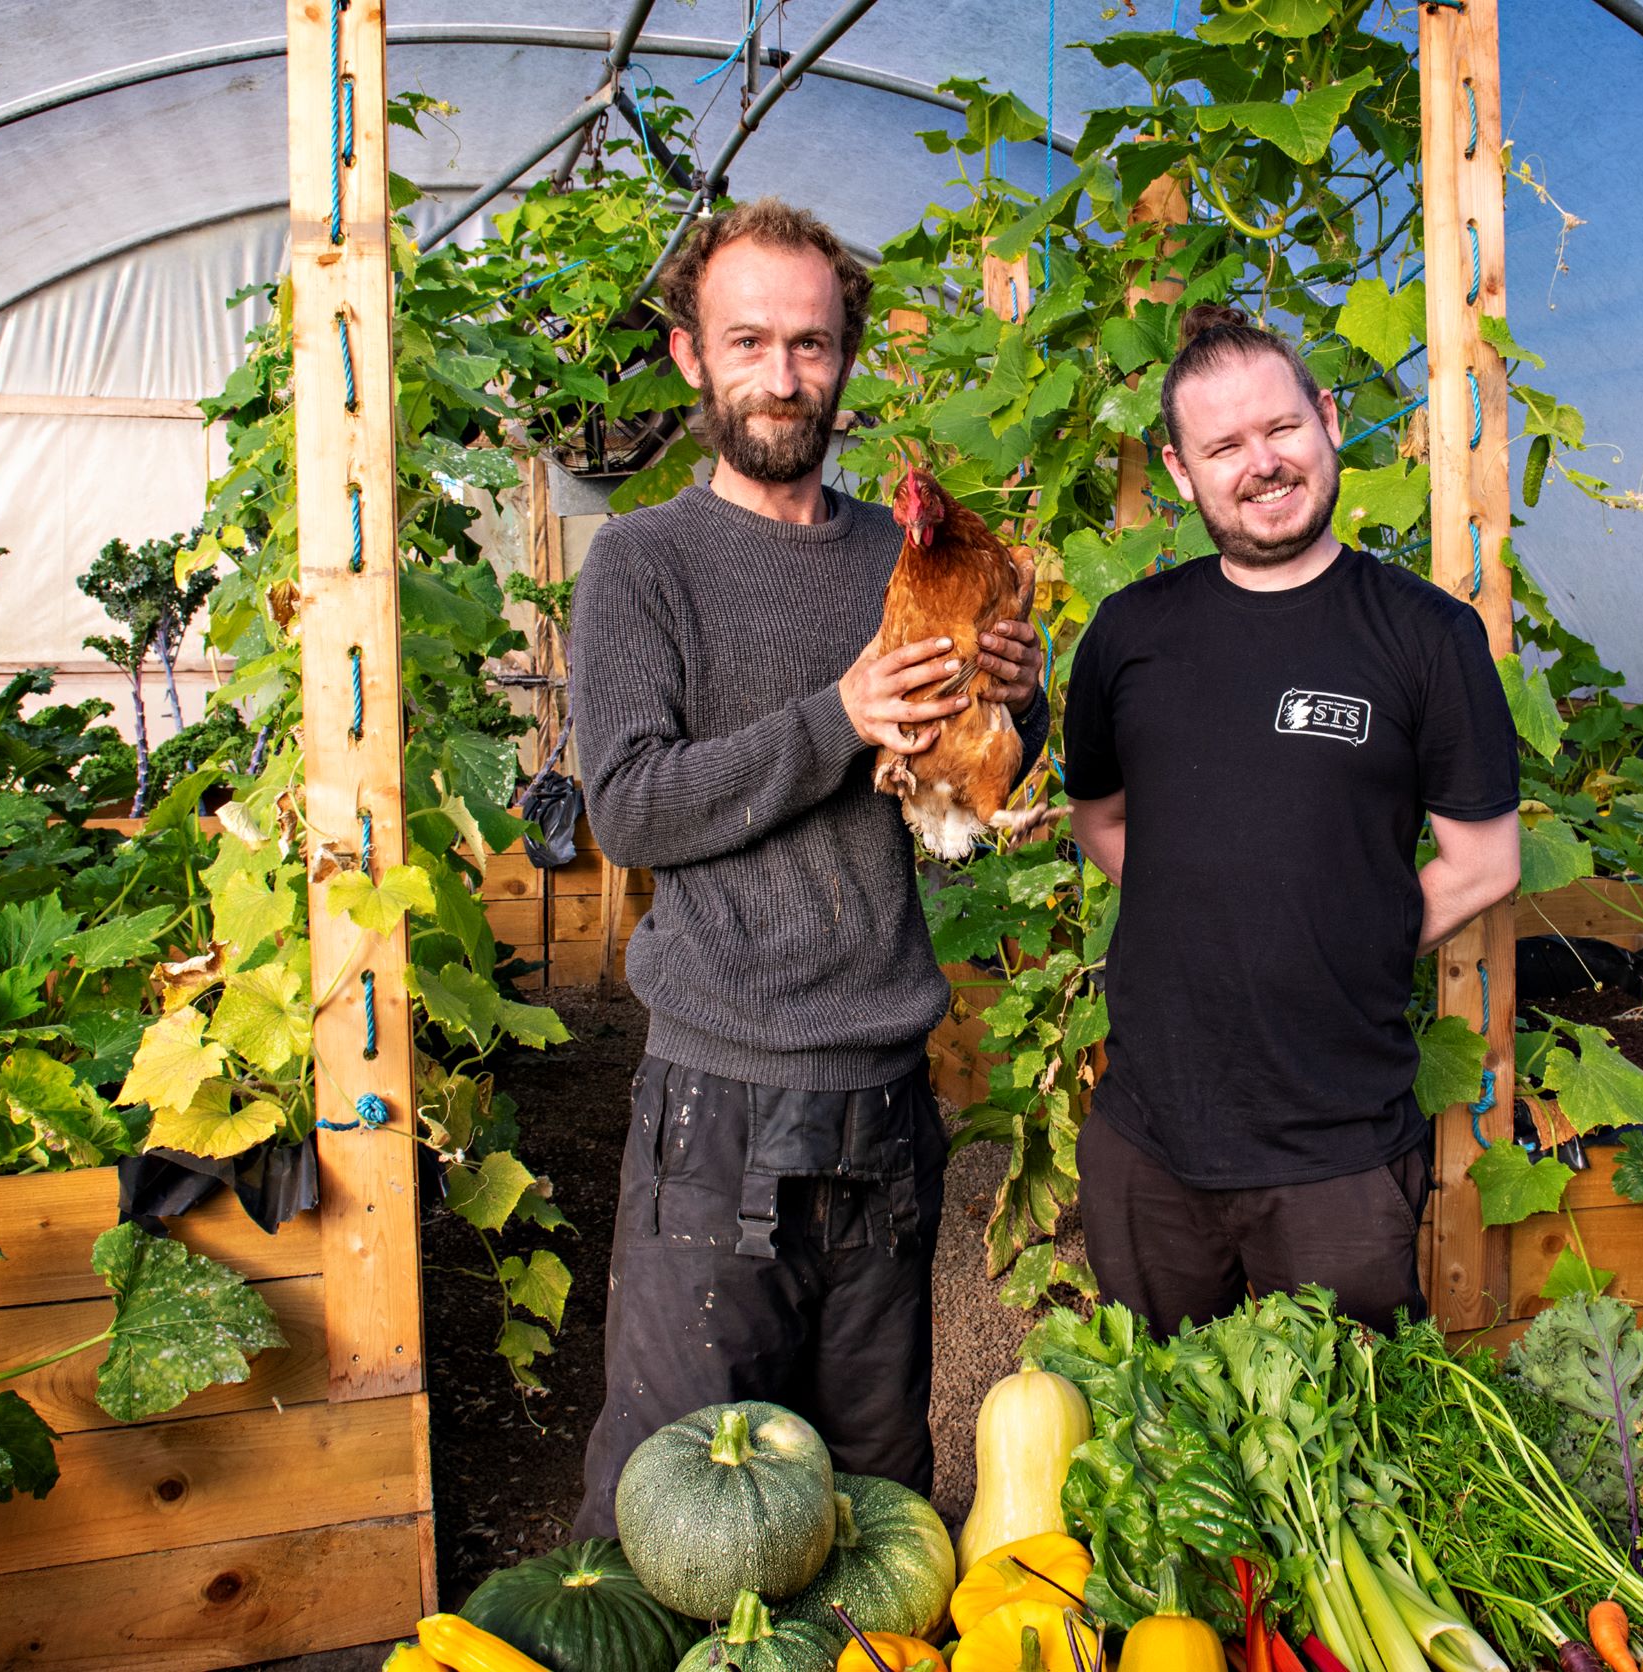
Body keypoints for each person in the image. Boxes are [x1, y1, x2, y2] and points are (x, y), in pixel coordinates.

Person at [566, 198, 1046, 1533]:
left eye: (815, 345)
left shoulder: (891, 553)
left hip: (885, 1105)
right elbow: (633, 811)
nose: (785, 377)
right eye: (752, 342)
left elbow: (955, 767)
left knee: (873, 1503)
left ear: (846, 359)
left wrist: (1015, 698)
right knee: (684, 1508)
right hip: (718, 1102)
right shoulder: (643, 563)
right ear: (691, 359)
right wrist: (834, 721)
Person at [1060, 303, 1522, 1335]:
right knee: (1168, 1440)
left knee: (1343, 1456)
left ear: (1324, 421)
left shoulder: (1425, 638)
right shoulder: (1131, 633)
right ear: (1183, 473)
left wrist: (1344, 934)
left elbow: (1486, 864)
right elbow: (1097, 817)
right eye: (1223, 445)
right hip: (1147, 1147)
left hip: (1337, 1157)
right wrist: (1204, 912)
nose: (1260, 464)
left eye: (1279, 429)